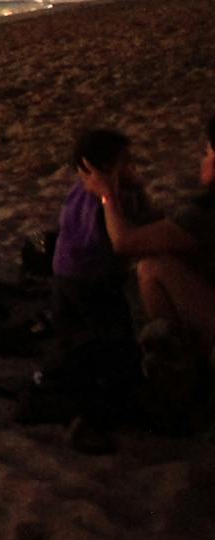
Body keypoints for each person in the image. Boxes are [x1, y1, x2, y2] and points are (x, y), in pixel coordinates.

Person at [78, 115, 215, 361]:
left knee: (151, 268)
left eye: (207, 152)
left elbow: (124, 242)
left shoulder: (206, 212)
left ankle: (174, 360)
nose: (202, 159)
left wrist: (107, 195)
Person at [53, 129, 155, 337]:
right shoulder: (115, 199)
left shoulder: (78, 190)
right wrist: (137, 189)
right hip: (94, 279)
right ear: (108, 167)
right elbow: (132, 236)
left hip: (64, 273)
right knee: (112, 331)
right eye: (126, 162)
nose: (132, 166)